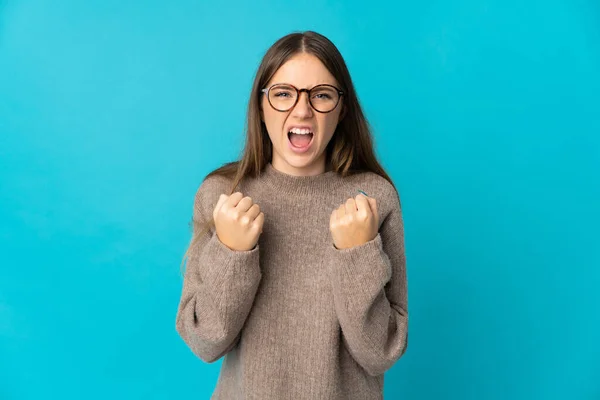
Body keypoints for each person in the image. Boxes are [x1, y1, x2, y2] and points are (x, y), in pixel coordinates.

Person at [175, 30, 408, 399]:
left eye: (321, 95)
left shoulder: (374, 199)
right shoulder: (222, 195)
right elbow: (205, 342)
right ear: (261, 105)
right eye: (283, 94)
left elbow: (380, 353)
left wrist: (357, 256)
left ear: (341, 108)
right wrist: (232, 255)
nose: (302, 110)